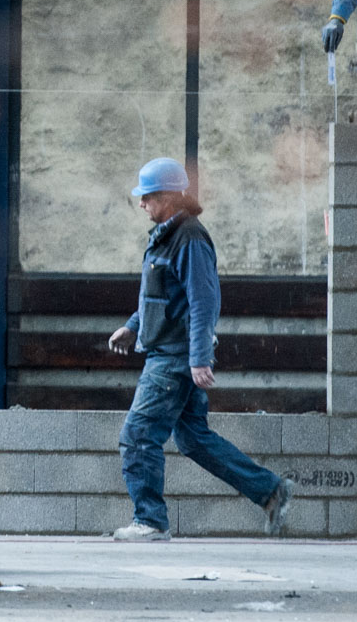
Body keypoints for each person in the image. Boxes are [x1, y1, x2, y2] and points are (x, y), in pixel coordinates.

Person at [104, 158, 293, 541]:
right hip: (169, 353)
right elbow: (160, 295)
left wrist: (199, 359)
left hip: (174, 358)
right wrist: (133, 326)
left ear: (170, 197)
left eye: (148, 197)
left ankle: (150, 521)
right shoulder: (166, 235)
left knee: (138, 435)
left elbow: (203, 301)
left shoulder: (189, 238)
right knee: (192, 439)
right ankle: (271, 491)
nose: (142, 204)